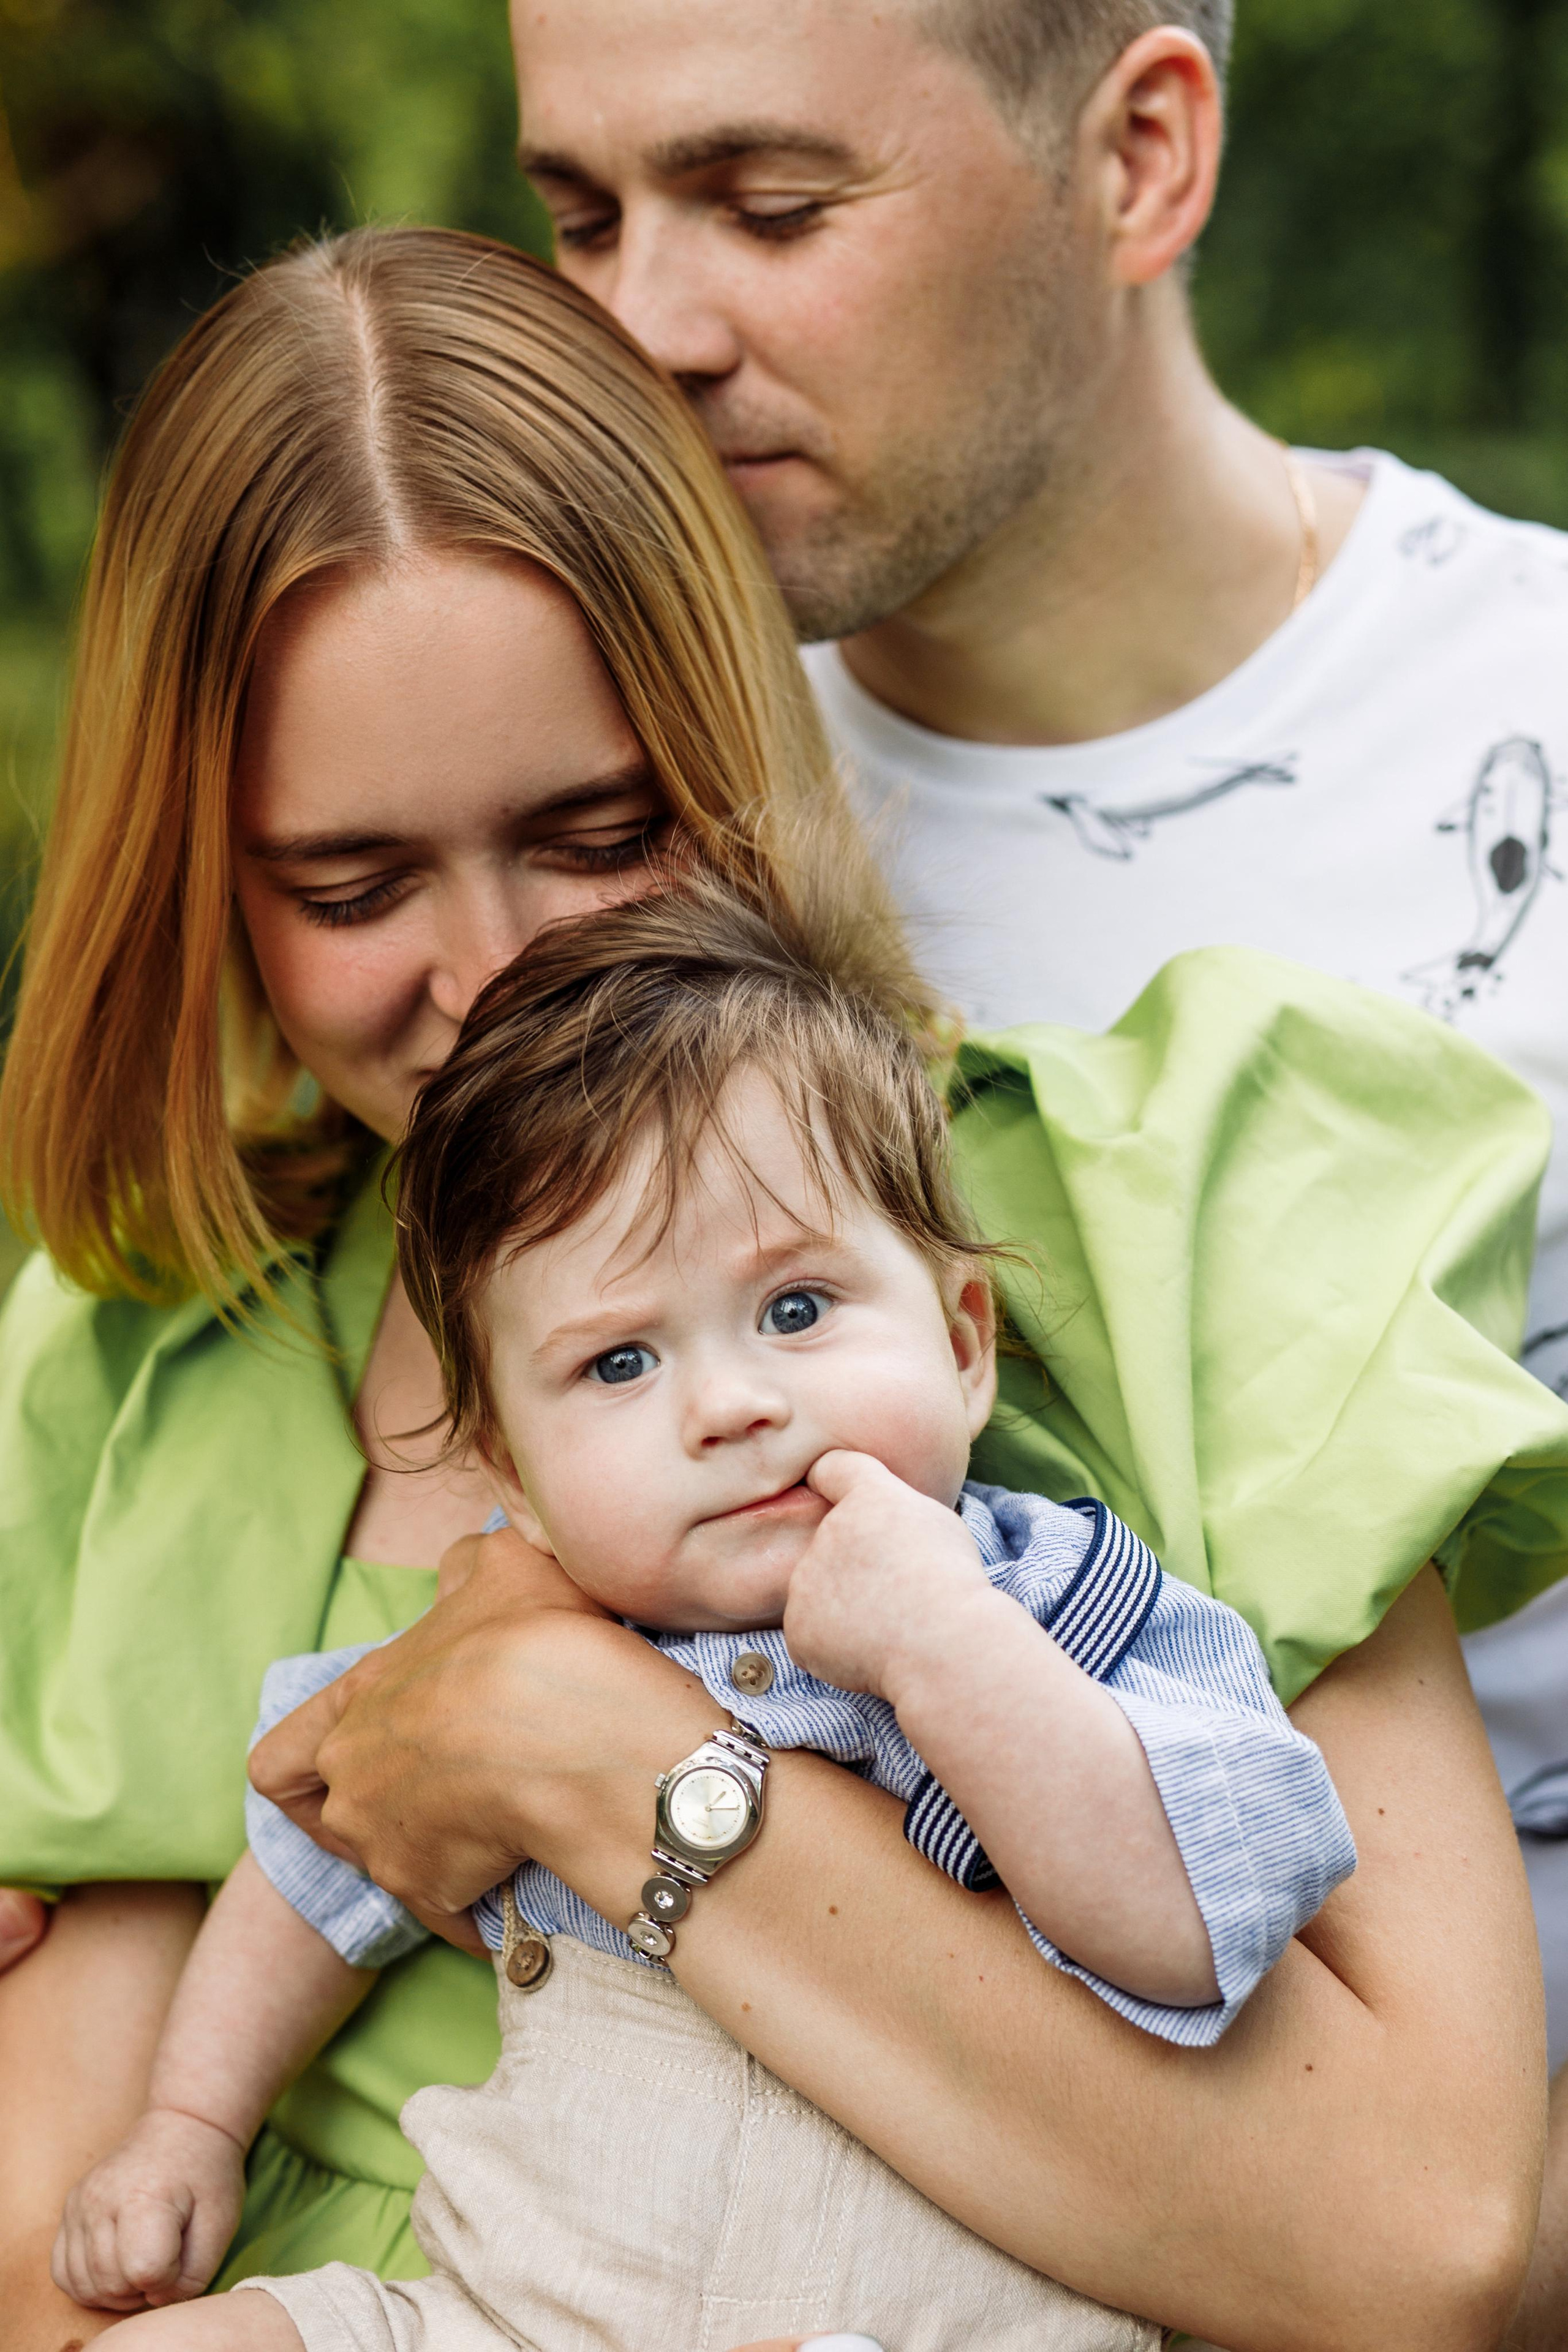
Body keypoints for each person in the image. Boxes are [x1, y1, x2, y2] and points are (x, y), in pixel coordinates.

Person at [0, 219, 1562, 2352]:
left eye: (594, 826)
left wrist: (585, 1749)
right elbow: (57, 2248)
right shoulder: (156, 1362)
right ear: (205, 882)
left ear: (734, 749)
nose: (502, 976)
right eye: (351, 883)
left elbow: (1437, 2247)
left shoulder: (1158, 1228)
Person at [500, 2, 1568, 2334]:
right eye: (580, 214)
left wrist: (589, 1767)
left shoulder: (1533, 718)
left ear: (1144, 156)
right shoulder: (588, 835)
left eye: (772, 206)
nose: (645, 328)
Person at [54, 880, 1356, 2350]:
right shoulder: (497, 1654)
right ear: (513, 1476)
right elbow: (306, 1862)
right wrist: (187, 2124)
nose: (732, 1404)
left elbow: (1197, 1923)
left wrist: (945, 1643)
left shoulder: (1062, 1603)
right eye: (617, 1365)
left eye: (796, 1310)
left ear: (961, 1342)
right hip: (509, 2318)